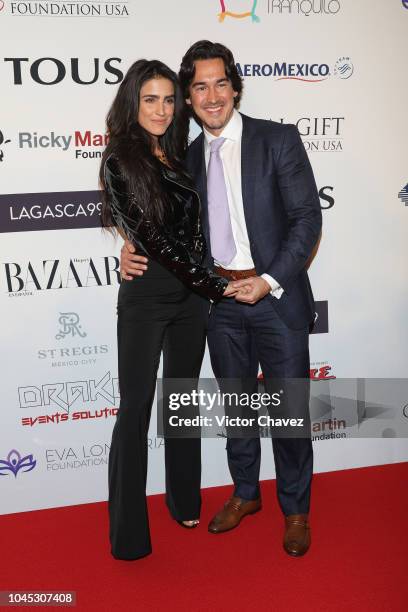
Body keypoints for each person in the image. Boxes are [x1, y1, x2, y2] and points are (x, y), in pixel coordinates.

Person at [120, 41, 322, 557]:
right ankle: (246, 493)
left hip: (275, 296)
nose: (212, 96)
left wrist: (271, 279)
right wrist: (130, 243)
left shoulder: (276, 139)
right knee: (237, 409)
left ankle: (295, 508)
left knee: (287, 413)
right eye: (200, 87)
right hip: (219, 300)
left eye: (220, 83)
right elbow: (163, 224)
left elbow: (307, 220)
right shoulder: (184, 155)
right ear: (190, 96)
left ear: (235, 86)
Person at [100, 58, 241, 560]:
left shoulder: (180, 154)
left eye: (167, 99)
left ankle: (183, 497)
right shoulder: (120, 158)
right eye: (149, 99)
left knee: (181, 401)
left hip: (191, 298)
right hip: (149, 295)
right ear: (132, 104)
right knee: (135, 408)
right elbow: (153, 238)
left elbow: (198, 229)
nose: (161, 109)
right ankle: (128, 531)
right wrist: (214, 285)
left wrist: (204, 285)